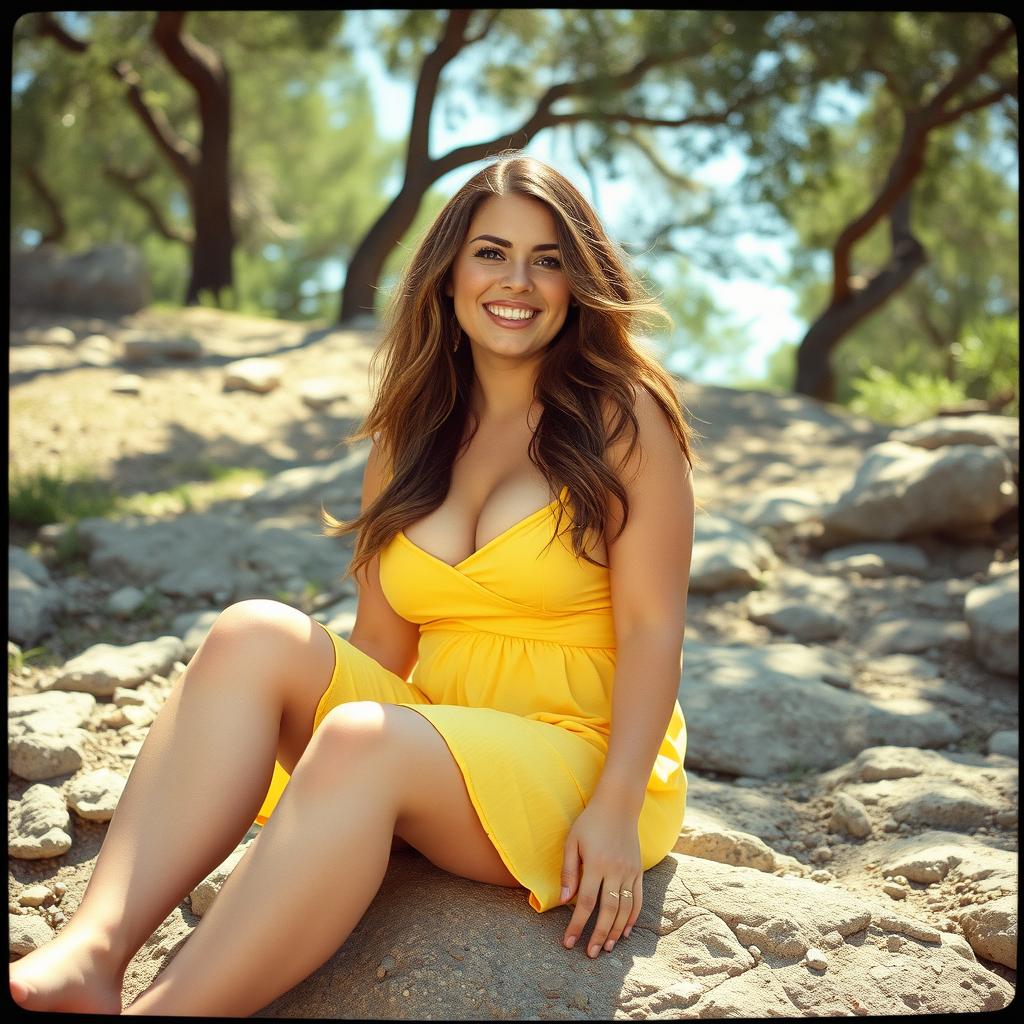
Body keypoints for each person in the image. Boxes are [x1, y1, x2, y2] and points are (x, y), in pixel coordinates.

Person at [9, 153, 700, 1016]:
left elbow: (651, 631)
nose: (517, 280)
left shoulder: (622, 415)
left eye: (549, 258)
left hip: (585, 754)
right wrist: (324, 809)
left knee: (367, 740)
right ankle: (91, 953)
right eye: (491, 253)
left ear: (577, 281)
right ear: (447, 275)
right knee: (251, 632)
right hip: (436, 742)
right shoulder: (411, 432)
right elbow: (381, 646)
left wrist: (614, 810)